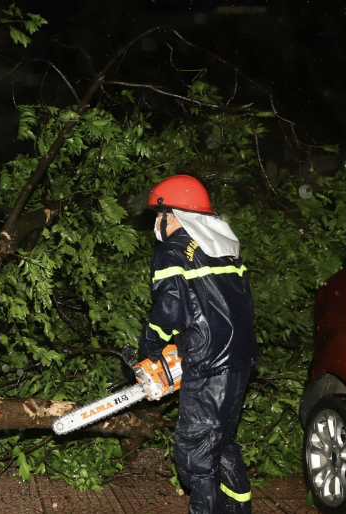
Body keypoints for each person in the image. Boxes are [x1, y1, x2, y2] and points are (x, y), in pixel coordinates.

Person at [139, 175, 258, 514]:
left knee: (195, 455)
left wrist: (149, 348)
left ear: (171, 213)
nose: (156, 223)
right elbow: (237, 308)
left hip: (208, 366)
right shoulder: (223, 250)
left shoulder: (171, 252)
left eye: (157, 215)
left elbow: (170, 310)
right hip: (240, 360)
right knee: (221, 444)